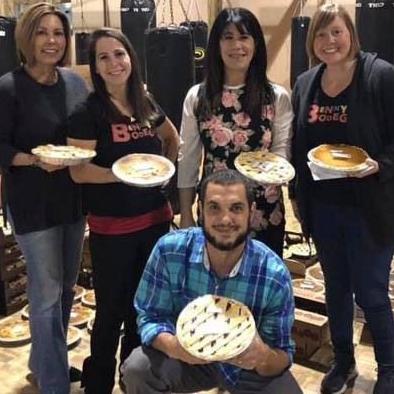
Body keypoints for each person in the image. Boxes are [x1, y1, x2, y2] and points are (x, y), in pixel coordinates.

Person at [289, 3, 394, 394]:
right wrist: (297, 194)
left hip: (370, 208)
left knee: (371, 291)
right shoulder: (306, 82)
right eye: (321, 34)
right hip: (324, 208)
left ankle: (388, 370)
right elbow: (299, 145)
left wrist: (379, 165)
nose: (329, 42)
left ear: (352, 35)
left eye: (337, 32)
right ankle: (343, 362)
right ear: (311, 41)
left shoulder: (382, 77)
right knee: (336, 287)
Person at [67, 27, 179, 394]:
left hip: (155, 222)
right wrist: (126, 177)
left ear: (131, 58)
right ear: (95, 67)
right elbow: (79, 170)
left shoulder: (145, 102)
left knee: (142, 308)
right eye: (104, 57)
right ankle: (96, 384)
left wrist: (163, 172)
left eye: (120, 54)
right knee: (111, 311)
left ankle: (133, 380)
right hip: (112, 229)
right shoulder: (87, 112)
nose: (114, 63)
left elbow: (171, 138)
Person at [121, 169, 303, 394]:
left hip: (245, 369)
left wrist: (262, 356)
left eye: (236, 208)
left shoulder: (273, 273)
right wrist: (175, 346)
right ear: (201, 211)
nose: (225, 220)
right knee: (137, 368)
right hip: (186, 360)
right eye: (214, 208)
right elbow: (149, 315)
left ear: (252, 212)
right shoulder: (170, 251)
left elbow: (283, 353)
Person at [0, 2, 88, 393]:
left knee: (65, 288)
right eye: (43, 32)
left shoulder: (75, 83)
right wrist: (32, 160)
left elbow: (84, 133)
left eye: (59, 33)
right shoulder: (7, 88)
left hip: (71, 198)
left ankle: (44, 360)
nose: (52, 41)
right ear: (26, 38)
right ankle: (53, 381)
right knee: (46, 293)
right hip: (32, 203)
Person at [178, 7, 293, 258]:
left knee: (259, 287)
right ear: (216, 45)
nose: (236, 45)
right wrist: (186, 211)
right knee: (214, 285)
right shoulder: (198, 97)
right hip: (215, 209)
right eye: (227, 37)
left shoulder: (276, 96)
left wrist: (278, 173)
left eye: (244, 37)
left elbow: (281, 150)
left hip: (263, 209)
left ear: (256, 44)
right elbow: (187, 159)